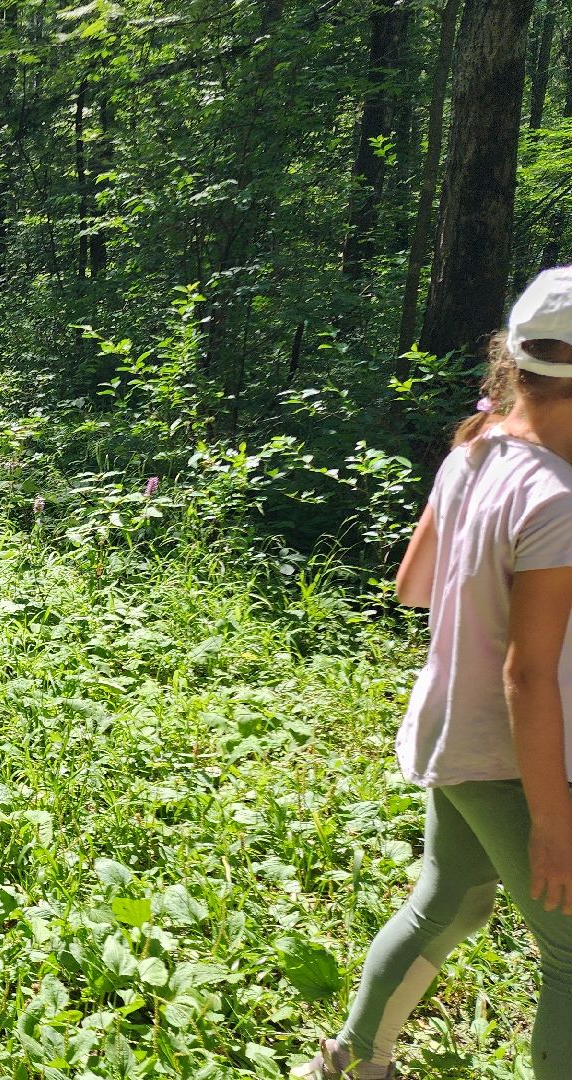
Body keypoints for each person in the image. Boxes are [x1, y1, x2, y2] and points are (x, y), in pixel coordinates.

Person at [296, 265, 572, 1079]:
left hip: (452, 730)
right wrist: (555, 826)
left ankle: (348, 1063)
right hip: (512, 757)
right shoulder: (555, 498)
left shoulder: (476, 451)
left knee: (449, 901)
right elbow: (529, 675)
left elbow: (412, 585)